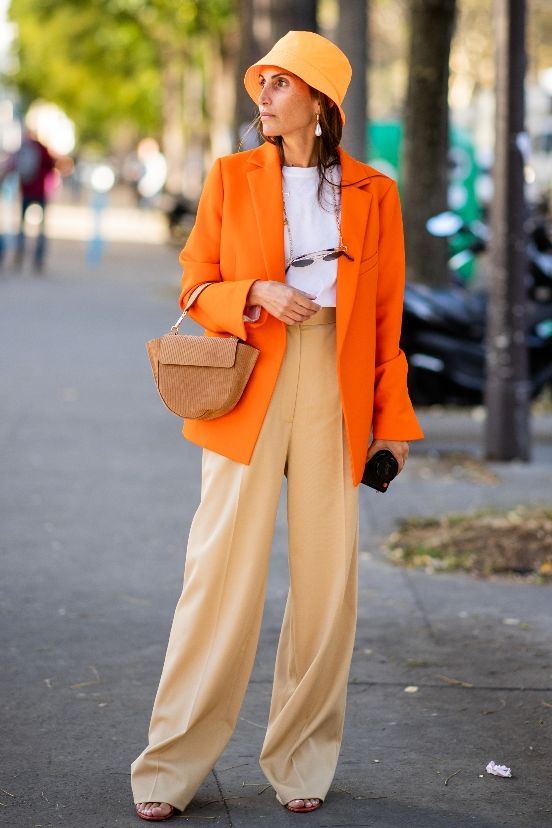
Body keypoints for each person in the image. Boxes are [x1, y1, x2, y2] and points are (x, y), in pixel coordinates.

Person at [131, 30, 424, 822]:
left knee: (328, 584)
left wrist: (390, 425)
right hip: (248, 380)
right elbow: (196, 283)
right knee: (217, 575)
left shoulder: (375, 193)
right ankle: (169, 766)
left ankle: (302, 755)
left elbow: (390, 322)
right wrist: (254, 292)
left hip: (335, 380)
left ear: (320, 103)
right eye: (260, 84)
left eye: (279, 86)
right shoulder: (231, 178)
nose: (262, 96)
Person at [0, 130, 56, 270]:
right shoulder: (43, 150)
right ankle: (38, 258)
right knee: (41, 228)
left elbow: (11, 166)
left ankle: (19, 255)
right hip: (41, 193)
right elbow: (52, 167)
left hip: (26, 191)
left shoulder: (23, 150)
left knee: (22, 226)